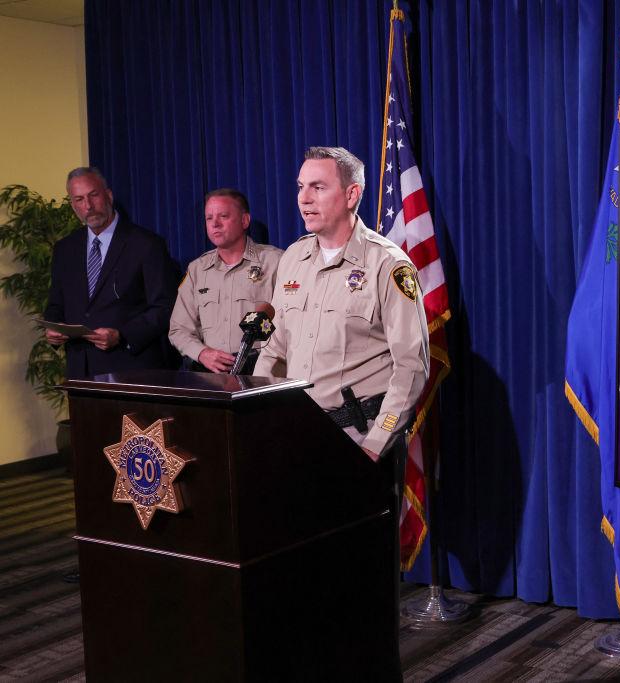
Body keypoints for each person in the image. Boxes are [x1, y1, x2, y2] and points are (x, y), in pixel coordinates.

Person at [253, 146, 427, 679]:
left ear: (351, 194)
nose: (304, 198)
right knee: (303, 572)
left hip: (358, 444)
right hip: (297, 439)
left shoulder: (387, 264)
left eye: (319, 187)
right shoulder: (292, 258)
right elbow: (273, 344)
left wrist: (377, 443)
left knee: (360, 582)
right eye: (301, 186)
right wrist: (254, 411)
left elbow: (413, 367)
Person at [44, 167, 179, 379]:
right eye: (79, 199)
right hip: (81, 372)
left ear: (109, 195)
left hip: (132, 370)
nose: (88, 206)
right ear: (73, 206)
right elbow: (55, 306)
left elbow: (165, 307)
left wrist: (122, 335)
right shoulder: (65, 249)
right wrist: (54, 330)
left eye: (93, 195)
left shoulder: (146, 244)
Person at [168, 189, 282, 373]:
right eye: (209, 218)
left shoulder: (275, 262)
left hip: (261, 372)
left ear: (245, 220)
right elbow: (178, 329)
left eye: (223, 216)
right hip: (211, 375)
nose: (215, 224)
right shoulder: (197, 270)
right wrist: (202, 353)